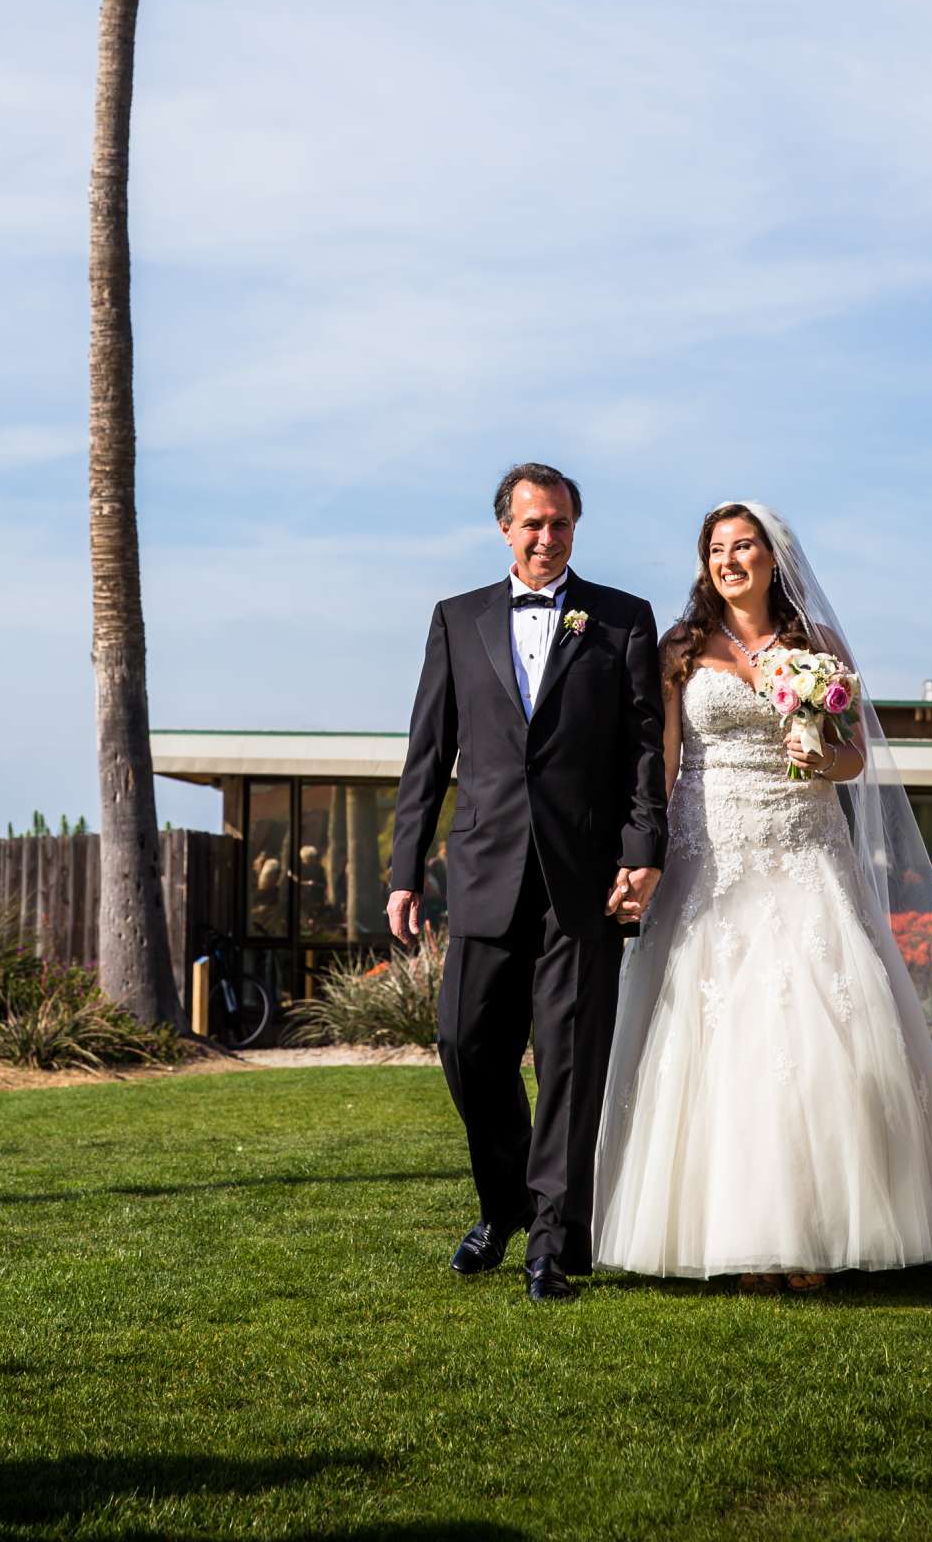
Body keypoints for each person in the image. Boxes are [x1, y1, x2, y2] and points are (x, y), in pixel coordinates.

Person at [590, 500, 932, 1286]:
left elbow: (853, 760)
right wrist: (644, 856)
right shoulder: (680, 648)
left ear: (774, 557)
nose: (729, 560)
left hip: (805, 847)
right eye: (716, 549)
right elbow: (665, 763)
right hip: (709, 851)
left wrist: (820, 762)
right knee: (721, 1039)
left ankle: (819, 1232)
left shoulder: (819, 647)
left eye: (744, 545)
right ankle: (735, 1237)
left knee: (821, 1035)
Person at [388, 462, 667, 1301]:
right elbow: (428, 755)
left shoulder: (622, 620)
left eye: (561, 524)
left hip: (584, 878)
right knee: (466, 1046)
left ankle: (553, 1237)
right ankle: (504, 1203)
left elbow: (645, 750)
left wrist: (642, 848)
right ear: (504, 528)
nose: (547, 537)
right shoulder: (456, 620)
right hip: (482, 869)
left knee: (571, 1061)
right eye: (533, 524)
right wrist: (405, 869)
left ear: (575, 528)